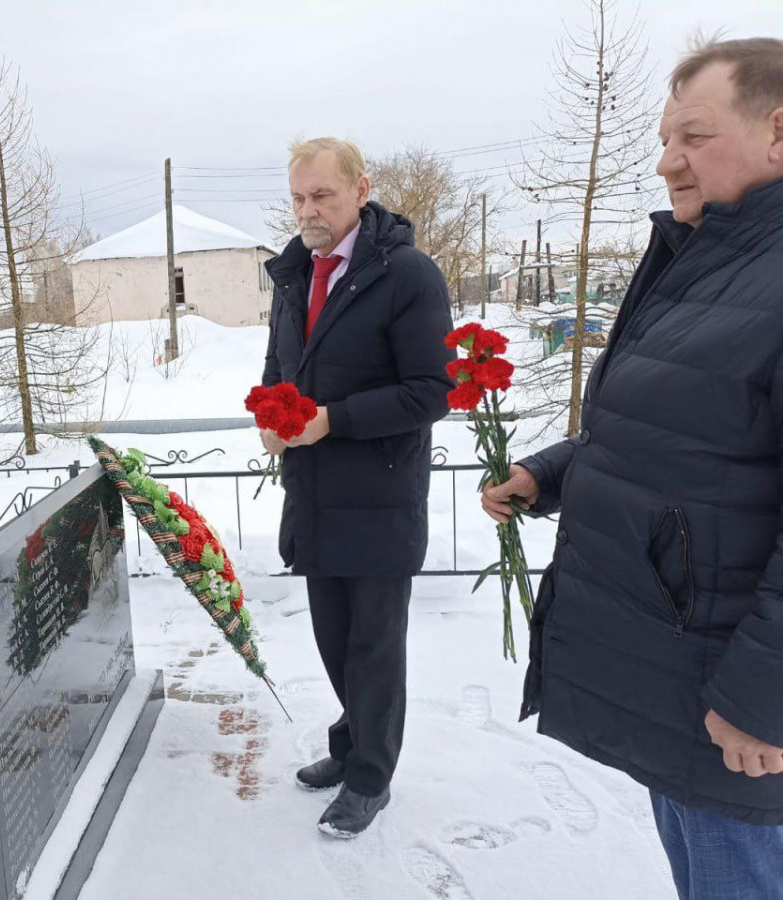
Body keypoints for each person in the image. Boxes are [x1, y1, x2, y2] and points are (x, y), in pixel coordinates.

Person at [483, 38, 783, 899]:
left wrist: (765, 696)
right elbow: (687, 428)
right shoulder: (711, 258)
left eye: (692, 136)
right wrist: (553, 473)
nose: (665, 163)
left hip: (738, 702)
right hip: (681, 675)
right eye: (663, 138)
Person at [261, 137, 454, 837]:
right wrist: (268, 414)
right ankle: (350, 749)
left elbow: (432, 392)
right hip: (312, 493)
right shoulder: (294, 274)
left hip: (378, 496)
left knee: (373, 649)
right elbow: (279, 366)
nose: (309, 210)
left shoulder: (408, 276)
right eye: (299, 197)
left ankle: (371, 778)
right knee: (335, 642)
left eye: (323, 195)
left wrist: (331, 421)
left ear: (361, 189)